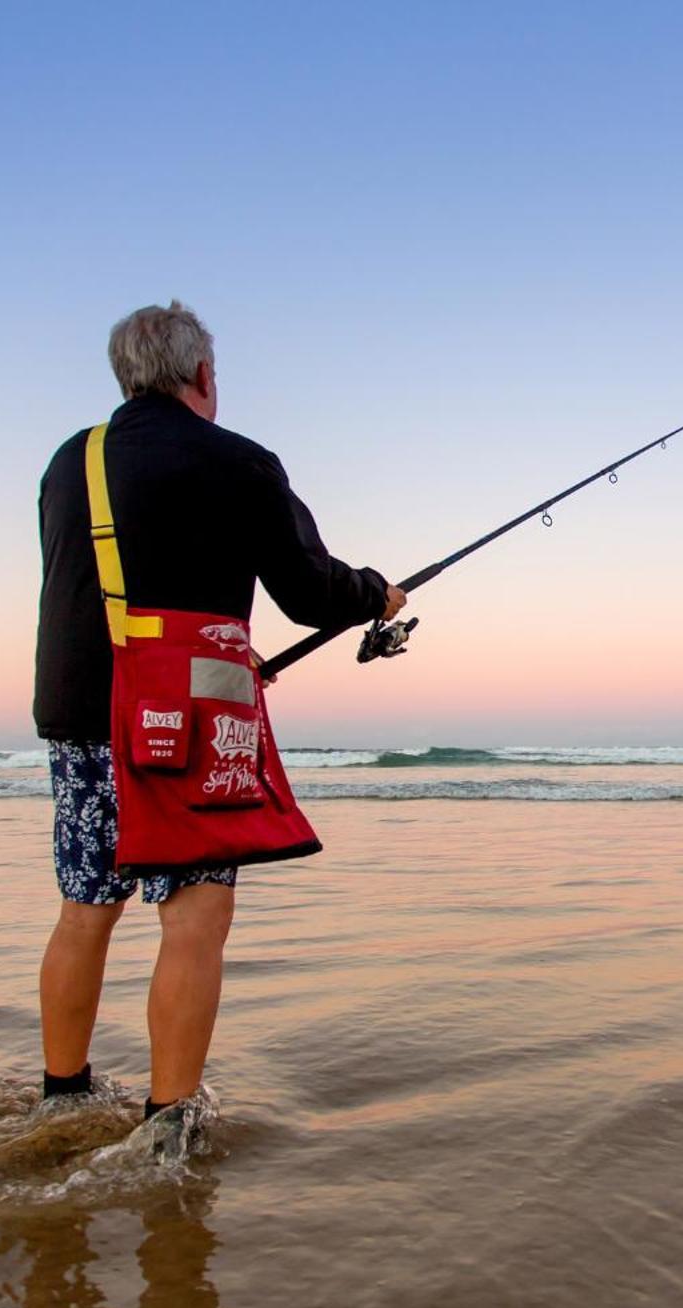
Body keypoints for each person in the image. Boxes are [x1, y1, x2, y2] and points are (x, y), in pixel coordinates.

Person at [32, 301, 404, 1124]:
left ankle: (62, 1101)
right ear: (202, 375)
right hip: (189, 720)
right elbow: (310, 592)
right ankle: (170, 1126)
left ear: (126, 376)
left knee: (85, 905)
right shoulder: (239, 461)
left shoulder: (71, 463)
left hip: (81, 714)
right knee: (195, 917)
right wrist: (375, 591)